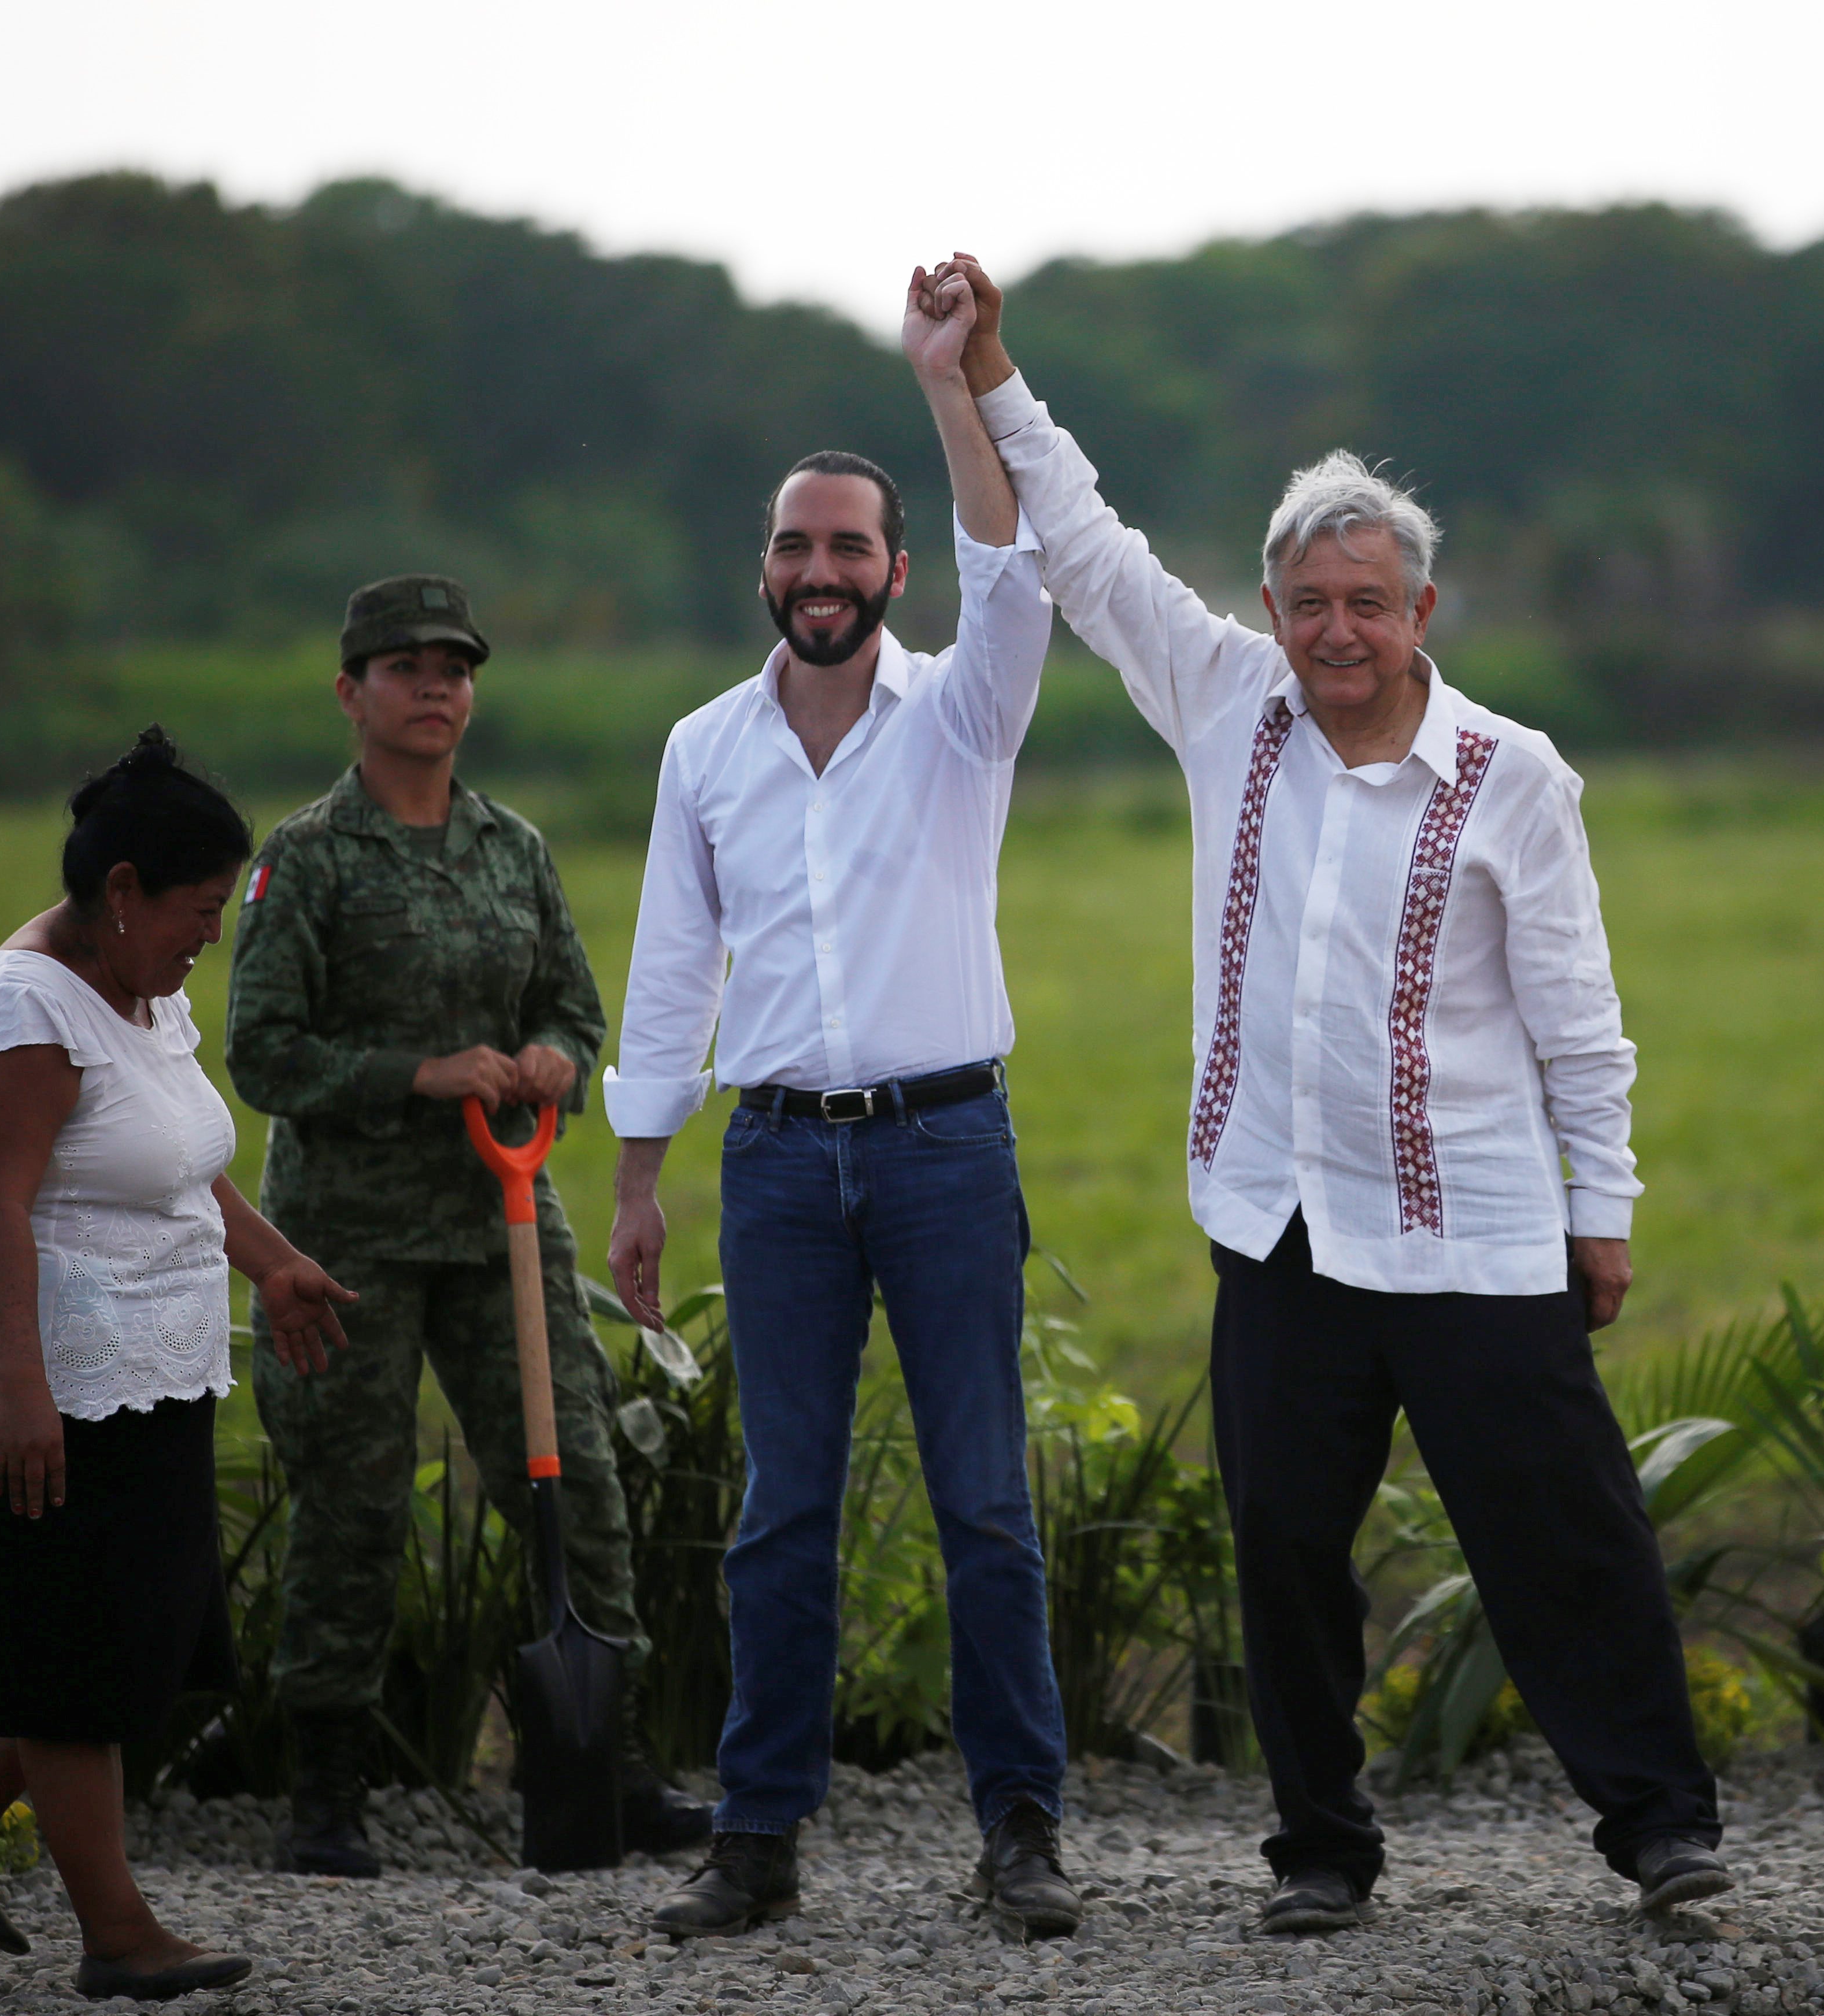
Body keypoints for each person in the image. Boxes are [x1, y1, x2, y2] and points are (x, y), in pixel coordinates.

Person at [944, 257, 1731, 1932]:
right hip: (1280, 1225)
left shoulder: (1513, 776)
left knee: (1563, 1543)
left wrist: (1605, 1213)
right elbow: (1085, 546)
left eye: (1367, 603)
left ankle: (1661, 1824)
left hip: (1478, 1233)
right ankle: (1321, 1852)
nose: (1336, 634)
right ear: (1274, 614)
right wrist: (993, 372)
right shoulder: (1228, 703)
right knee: (1288, 1554)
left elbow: (1578, 1021)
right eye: (1307, 604)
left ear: (1420, 612)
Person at [603, 265, 1076, 1939]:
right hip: (781, 1166)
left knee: (982, 1506)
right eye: (796, 549)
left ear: (888, 572)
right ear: (767, 574)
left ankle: (1020, 1830)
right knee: (778, 1516)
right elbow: (672, 969)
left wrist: (952, 386)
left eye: (849, 549)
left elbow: (1015, 573)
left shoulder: (961, 715)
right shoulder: (702, 750)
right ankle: (758, 1837)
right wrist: (641, 1177)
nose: (821, 573)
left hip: (949, 1147)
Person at [224, 576, 710, 1876]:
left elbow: (573, 1005)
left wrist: (551, 1057)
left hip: (505, 1220)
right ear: (352, 693)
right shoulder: (305, 858)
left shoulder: (514, 849)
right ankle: (324, 1790)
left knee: (580, 1482)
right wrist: (415, 1074)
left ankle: (606, 1765)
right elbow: (262, 1053)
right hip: (349, 1240)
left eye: (454, 666)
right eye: (405, 667)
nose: (435, 687)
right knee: (352, 1502)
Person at [0, 729, 355, 2001]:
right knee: (75, 1662)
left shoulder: (138, 990)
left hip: (149, 1364)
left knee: (133, 1638)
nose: (211, 937)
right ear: (126, 890)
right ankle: (118, 1931)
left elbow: (181, 1162)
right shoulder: (19, 1010)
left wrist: (275, 1265)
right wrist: (22, 1396)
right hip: (44, 1382)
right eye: (200, 911)